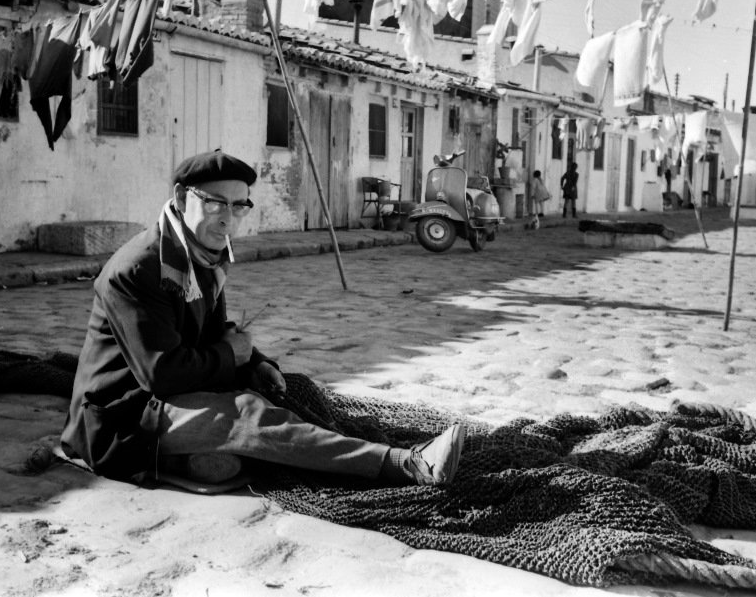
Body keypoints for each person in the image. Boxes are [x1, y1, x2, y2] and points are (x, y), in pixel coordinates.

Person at [61, 150, 465, 490]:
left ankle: (206, 458)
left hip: (170, 395)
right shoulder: (137, 269)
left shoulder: (200, 252)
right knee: (250, 414)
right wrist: (233, 354)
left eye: (239, 206)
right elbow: (161, 373)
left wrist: (254, 361)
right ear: (183, 197)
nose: (228, 219)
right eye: (216, 203)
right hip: (124, 418)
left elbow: (213, 335)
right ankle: (406, 465)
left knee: (290, 392)